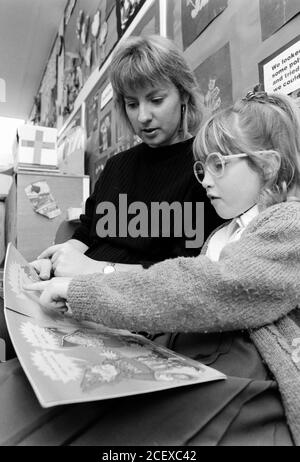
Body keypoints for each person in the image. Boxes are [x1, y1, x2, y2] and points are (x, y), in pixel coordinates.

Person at [26, 91, 300, 445]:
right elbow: (180, 292)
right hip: (201, 362)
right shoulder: (222, 233)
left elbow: (210, 288)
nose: (205, 180)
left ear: (268, 165)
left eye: (218, 164)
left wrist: (89, 289)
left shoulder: (289, 224)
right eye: (201, 169)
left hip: (252, 381)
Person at [31, 34, 221, 280]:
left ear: (183, 95)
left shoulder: (204, 168)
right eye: (132, 104)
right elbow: (88, 232)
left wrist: (98, 270)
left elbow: (190, 274)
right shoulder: (116, 166)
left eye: (156, 100)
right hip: (74, 292)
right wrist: (60, 257)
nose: (143, 116)